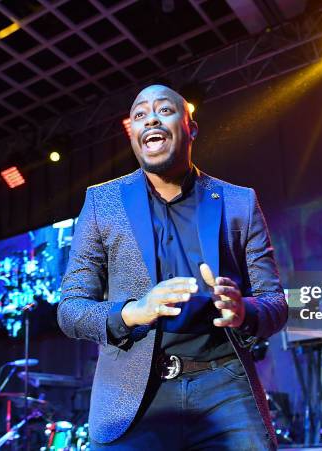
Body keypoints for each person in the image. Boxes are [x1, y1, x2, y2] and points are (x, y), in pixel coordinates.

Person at [57, 84, 288, 450]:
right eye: (139, 114)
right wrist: (134, 312)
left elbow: (274, 302)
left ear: (190, 126)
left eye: (164, 110)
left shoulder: (238, 202)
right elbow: (70, 310)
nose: (150, 117)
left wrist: (244, 310)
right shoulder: (103, 202)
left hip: (224, 383)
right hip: (133, 391)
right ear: (133, 133)